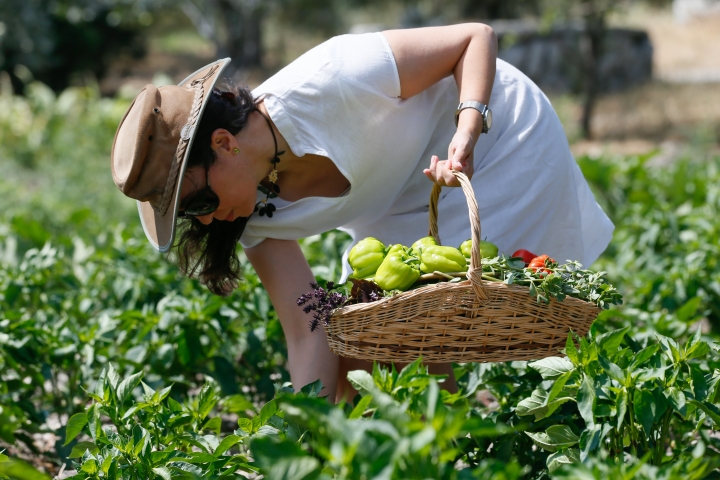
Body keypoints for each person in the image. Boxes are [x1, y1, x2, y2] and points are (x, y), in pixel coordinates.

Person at [110, 23, 614, 402]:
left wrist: (467, 131)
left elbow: (475, 38)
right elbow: (306, 326)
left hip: (494, 137)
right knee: (365, 341)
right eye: (185, 213)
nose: (201, 221)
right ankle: (433, 448)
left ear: (224, 144)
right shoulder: (246, 213)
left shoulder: (333, 78)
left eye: (195, 201)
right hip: (398, 191)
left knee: (412, 333)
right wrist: (307, 432)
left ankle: (461, 440)